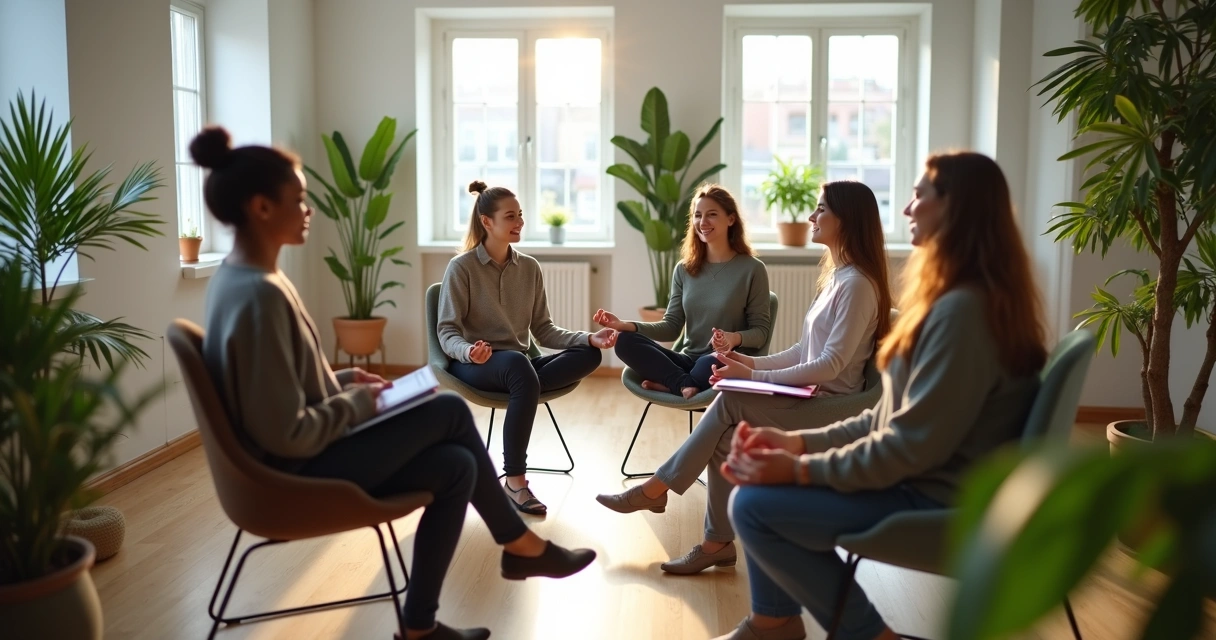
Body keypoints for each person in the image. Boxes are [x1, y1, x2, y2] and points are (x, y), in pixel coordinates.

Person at [193, 127, 596, 640]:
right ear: (261, 208)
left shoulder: (245, 280)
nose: (309, 209)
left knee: (454, 465)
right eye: (298, 199)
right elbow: (287, 433)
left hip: (305, 452)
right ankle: (519, 546)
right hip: (292, 471)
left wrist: (339, 380)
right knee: (449, 414)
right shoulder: (260, 295)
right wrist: (359, 401)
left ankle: (419, 627)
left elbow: (278, 386)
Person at [711, 152, 1048, 640]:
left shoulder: (963, 313)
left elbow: (909, 446)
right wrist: (797, 445)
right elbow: (890, 420)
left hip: (939, 501)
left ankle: (860, 634)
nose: (908, 209)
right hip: (929, 483)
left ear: (957, 208)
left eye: (919, 196)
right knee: (759, 493)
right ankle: (776, 624)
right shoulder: (966, 300)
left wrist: (801, 469)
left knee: (754, 505)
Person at [595, 181, 892, 576]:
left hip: (827, 399)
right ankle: (716, 544)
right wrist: (746, 367)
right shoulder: (838, 278)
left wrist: (754, 369)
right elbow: (802, 351)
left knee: (729, 402)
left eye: (820, 210)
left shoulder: (856, 285)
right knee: (725, 435)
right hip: (810, 389)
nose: (810, 217)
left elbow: (829, 366)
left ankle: (657, 488)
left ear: (847, 218)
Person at [437, 181, 619, 516]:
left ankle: (526, 386)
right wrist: (467, 351)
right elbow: (447, 332)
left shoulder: (530, 268)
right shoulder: (461, 268)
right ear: (487, 221)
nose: (519, 222)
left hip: (517, 366)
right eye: (510, 216)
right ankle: (515, 481)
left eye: (520, 215)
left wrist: (587, 338)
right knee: (520, 370)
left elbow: (544, 330)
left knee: (588, 355)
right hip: (475, 364)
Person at [593, 184, 772, 400]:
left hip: (724, 360)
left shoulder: (752, 269)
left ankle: (672, 384)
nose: (702, 222)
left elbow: (761, 333)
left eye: (712, 215)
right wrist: (626, 325)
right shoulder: (684, 269)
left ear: (731, 219)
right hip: (687, 360)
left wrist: (733, 338)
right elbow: (670, 327)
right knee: (624, 341)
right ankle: (682, 384)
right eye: (698, 215)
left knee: (713, 361)